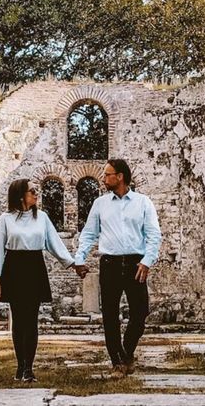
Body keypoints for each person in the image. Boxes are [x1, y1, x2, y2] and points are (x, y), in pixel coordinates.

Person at [0, 178, 86, 382]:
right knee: (19, 319)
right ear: (20, 196)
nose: (36, 194)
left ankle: (29, 368)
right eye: (32, 191)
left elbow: (54, 243)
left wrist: (73, 264)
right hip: (14, 268)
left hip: (34, 267)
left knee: (31, 319)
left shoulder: (41, 217)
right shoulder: (5, 219)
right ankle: (20, 365)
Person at [74, 159, 162, 378]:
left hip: (136, 263)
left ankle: (127, 352)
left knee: (140, 312)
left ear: (120, 176)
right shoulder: (100, 204)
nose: (104, 178)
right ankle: (117, 362)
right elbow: (89, 233)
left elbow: (153, 235)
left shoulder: (143, 202)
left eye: (107, 174)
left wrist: (147, 261)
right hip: (110, 263)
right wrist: (79, 258)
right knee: (110, 315)